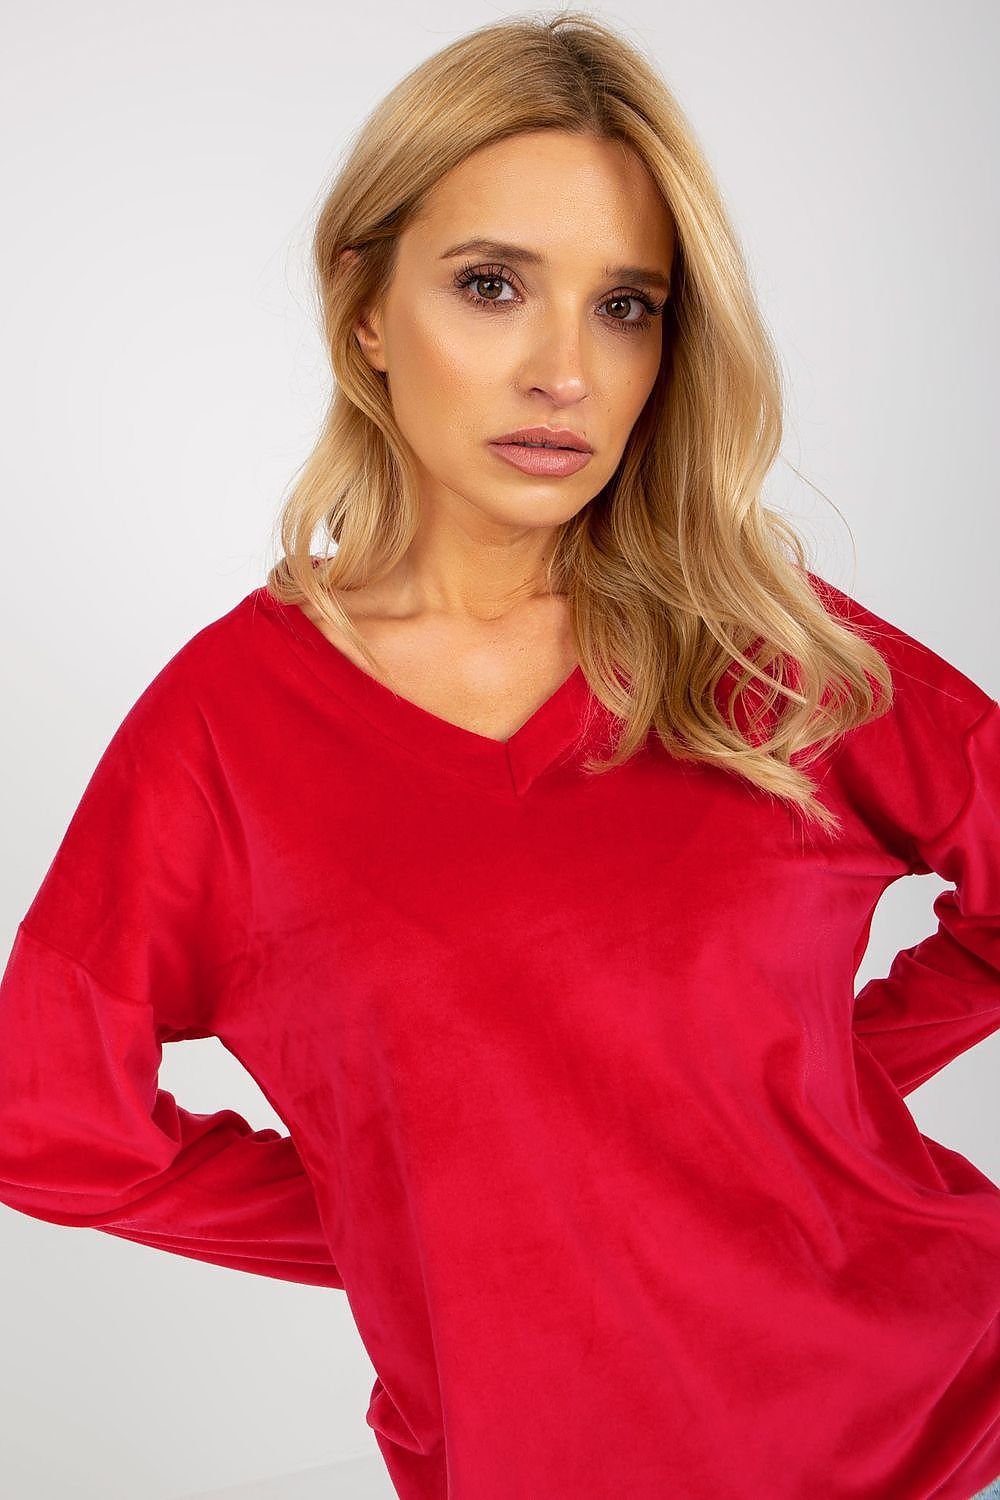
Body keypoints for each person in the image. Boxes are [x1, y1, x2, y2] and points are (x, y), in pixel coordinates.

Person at [1, 11, 998, 1500]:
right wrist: (425, 1224)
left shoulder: (767, 649)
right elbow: (48, 1123)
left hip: (952, 1428)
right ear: (365, 309)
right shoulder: (225, 732)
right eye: (491, 286)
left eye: (626, 306)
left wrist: (793, 1104)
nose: (565, 372)